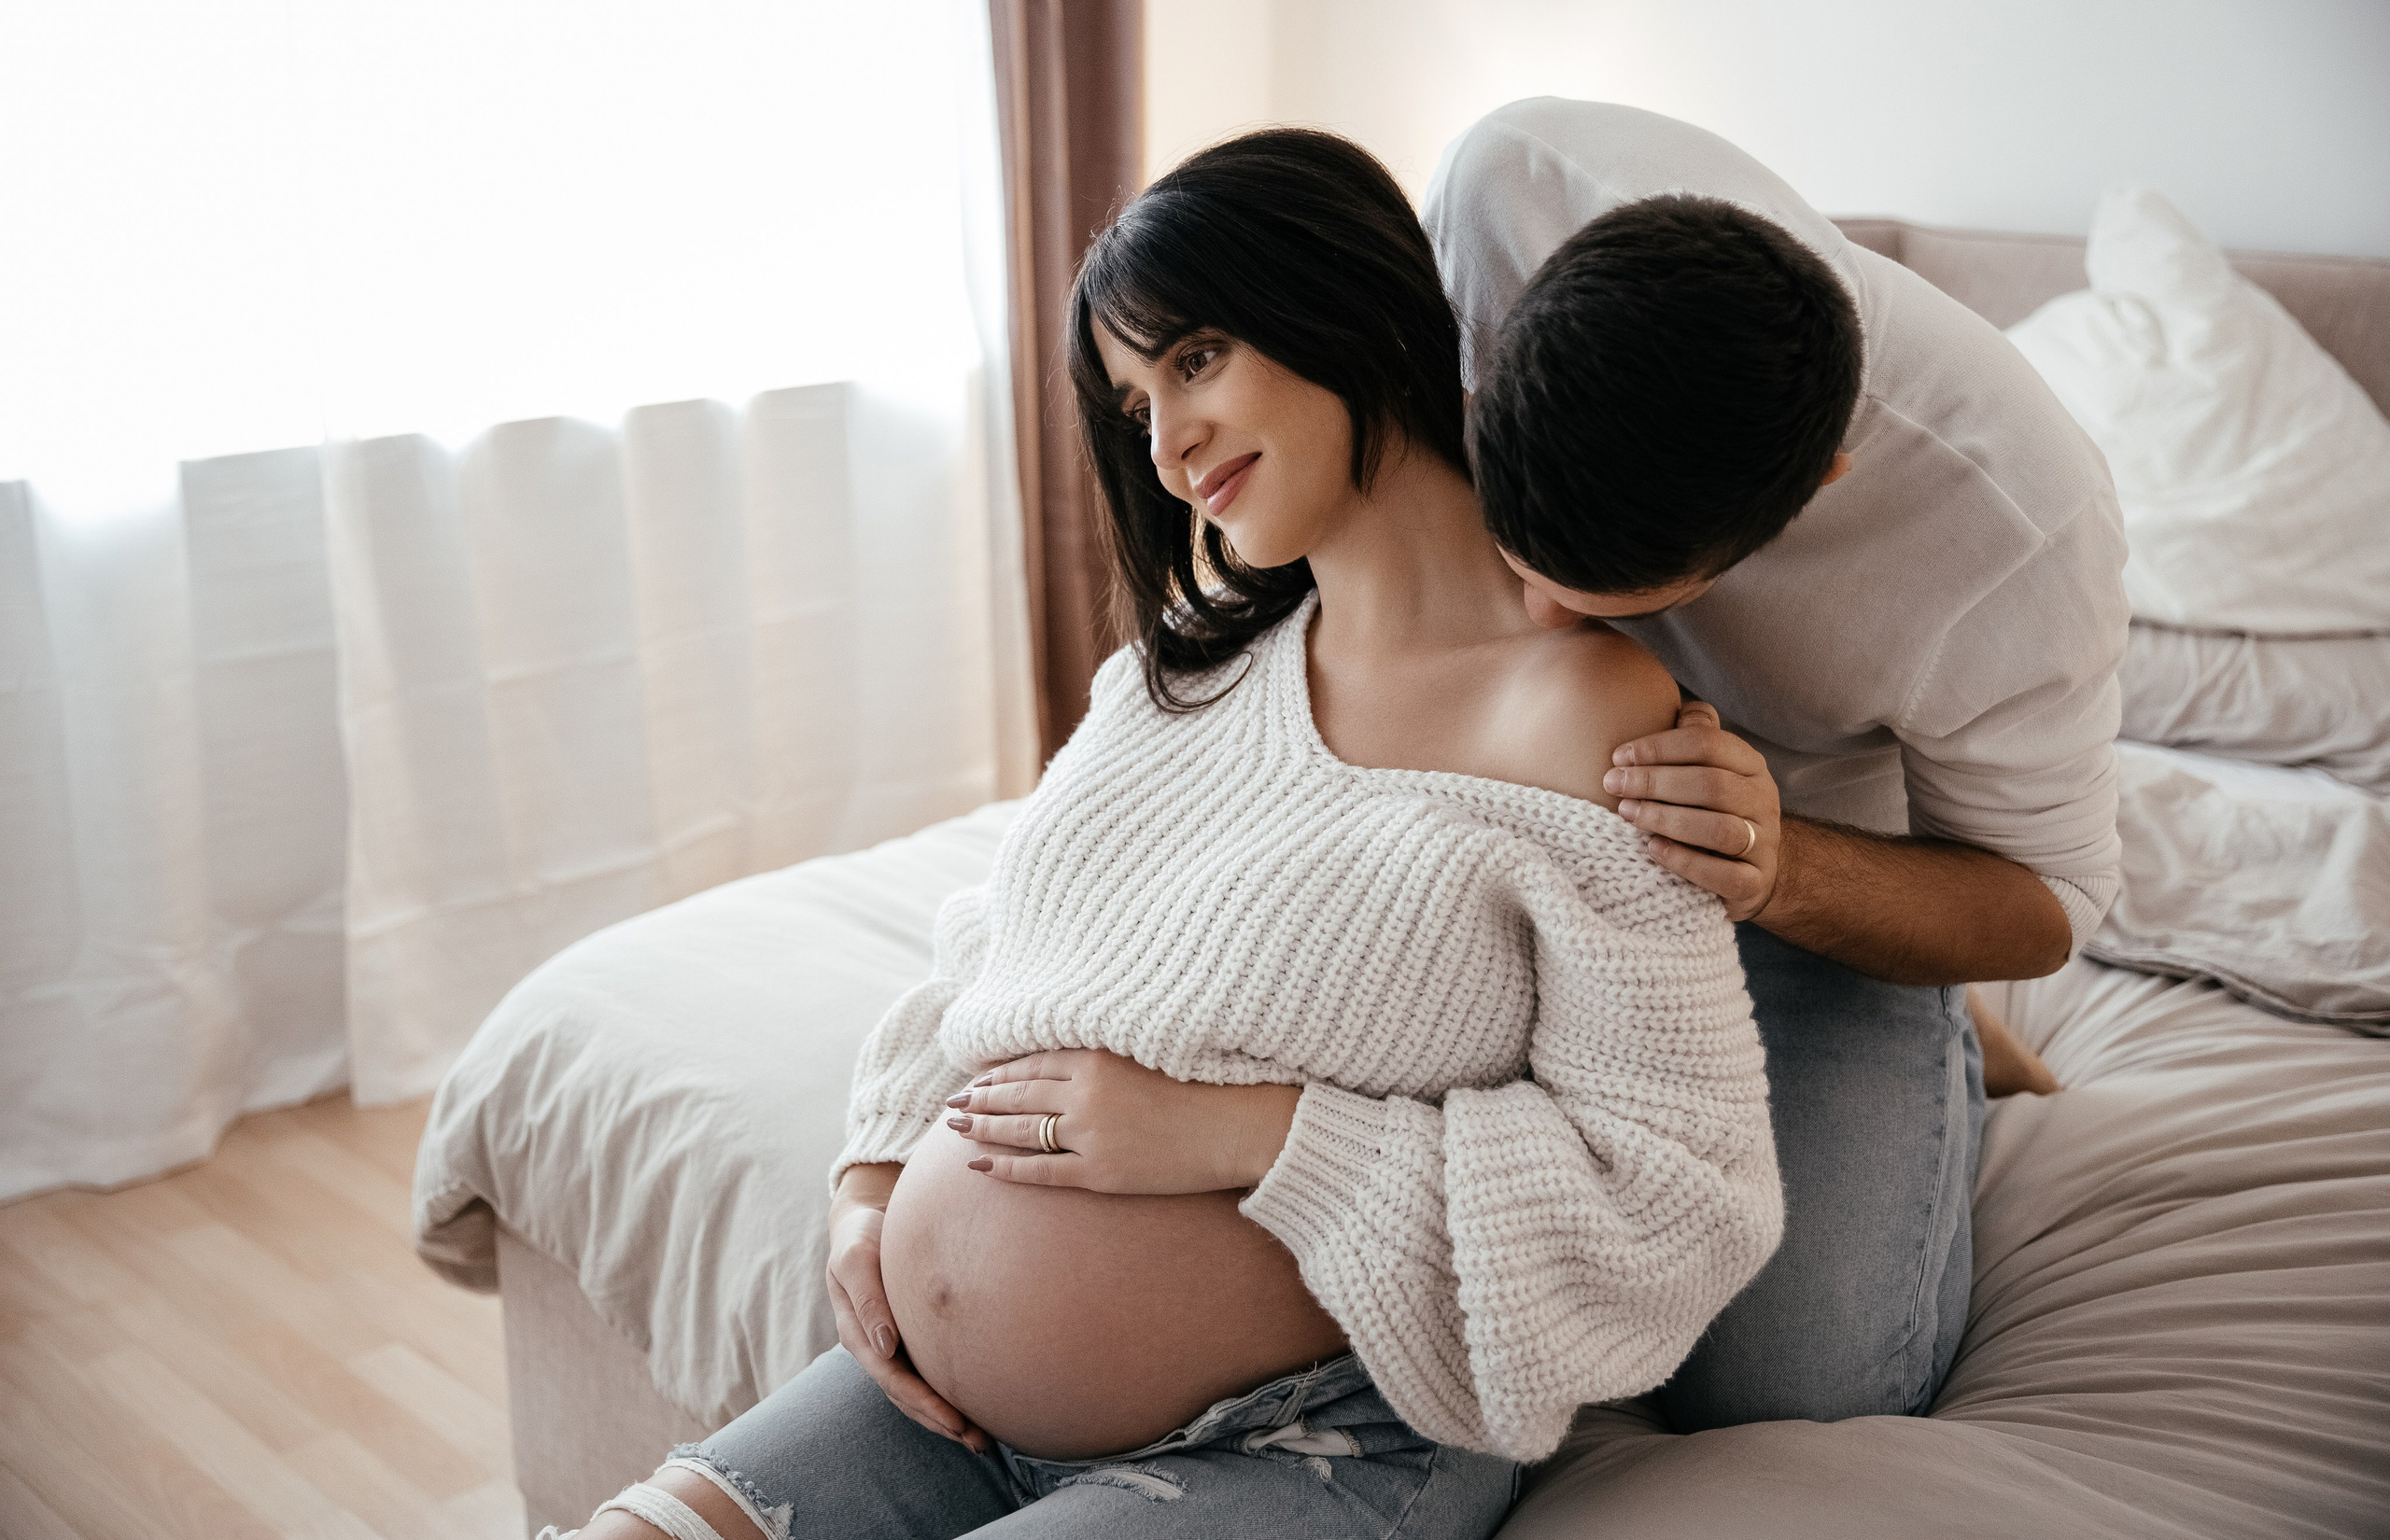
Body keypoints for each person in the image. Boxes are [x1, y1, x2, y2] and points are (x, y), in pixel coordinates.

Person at [547, 129, 1781, 1540]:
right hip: (944, 1414)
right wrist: (872, 1178)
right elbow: (994, 939)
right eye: (1136, 404)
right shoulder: (1181, 677)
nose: (1169, 443)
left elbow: (1678, 1186)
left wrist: (1252, 1136)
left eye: (1197, 359)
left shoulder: (1586, 718)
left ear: (1354, 309)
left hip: (1313, 1436)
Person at [1426, 98, 2126, 1430]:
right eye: (1522, 560)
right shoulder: (1508, 194)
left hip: (1801, 887)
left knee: (1786, 1384)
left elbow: (2041, 909)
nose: (1539, 623)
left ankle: (1950, 1047)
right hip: (1502, 808)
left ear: (1815, 495)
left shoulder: (2022, 539)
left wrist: (1783, 867)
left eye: (1601, 595)